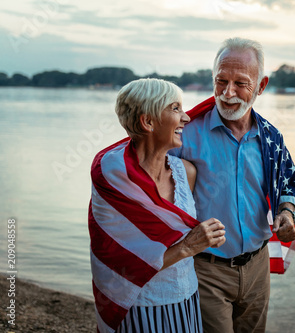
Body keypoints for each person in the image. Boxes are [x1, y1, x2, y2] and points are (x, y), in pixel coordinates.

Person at [171, 37, 295, 332]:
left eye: (240, 83)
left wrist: (287, 213)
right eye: (221, 81)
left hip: (258, 267)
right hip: (204, 269)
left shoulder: (271, 137)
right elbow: (149, 186)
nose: (228, 92)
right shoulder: (183, 134)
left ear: (261, 86)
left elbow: (289, 185)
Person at [88, 78, 226, 333]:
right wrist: (189, 246)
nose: (185, 118)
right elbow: (122, 261)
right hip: (138, 304)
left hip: (186, 297)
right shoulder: (112, 178)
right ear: (148, 122)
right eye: (175, 108)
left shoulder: (186, 173)